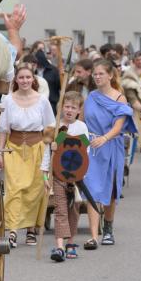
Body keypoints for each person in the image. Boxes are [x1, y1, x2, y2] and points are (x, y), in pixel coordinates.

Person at [0, 64, 56, 246]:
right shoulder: (8, 100)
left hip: (37, 147)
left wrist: (53, 145)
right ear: (16, 80)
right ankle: (12, 231)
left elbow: (51, 127)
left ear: (33, 80)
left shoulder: (42, 100)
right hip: (13, 148)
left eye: (28, 78)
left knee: (34, 190)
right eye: (21, 78)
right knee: (14, 189)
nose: (25, 81)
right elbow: (3, 130)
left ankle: (31, 230)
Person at [82, 60, 135, 247]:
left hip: (111, 146)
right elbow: (82, 122)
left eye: (101, 74)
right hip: (92, 148)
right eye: (95, 74)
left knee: (110, 191)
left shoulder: (119, 98)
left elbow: (119, 126)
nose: (97, 77)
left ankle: (109, 228)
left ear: (110, 75)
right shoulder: (90, 97)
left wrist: (104, 138)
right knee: (92, 190)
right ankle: (94, 236)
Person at [44, 91, 88, 262]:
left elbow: (86, 152)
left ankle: (71, 243)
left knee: (73, 210)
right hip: (57, 175)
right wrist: (45, 177)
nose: (69, 110)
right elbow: (46, 155)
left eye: (73, 107)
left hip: (76, 177)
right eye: (67, 106)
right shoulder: (53, 127)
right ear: (62, 107)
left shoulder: (81, 127)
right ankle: (59, 246)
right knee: (60, 209)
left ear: (78, 110)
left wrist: (82, 173)